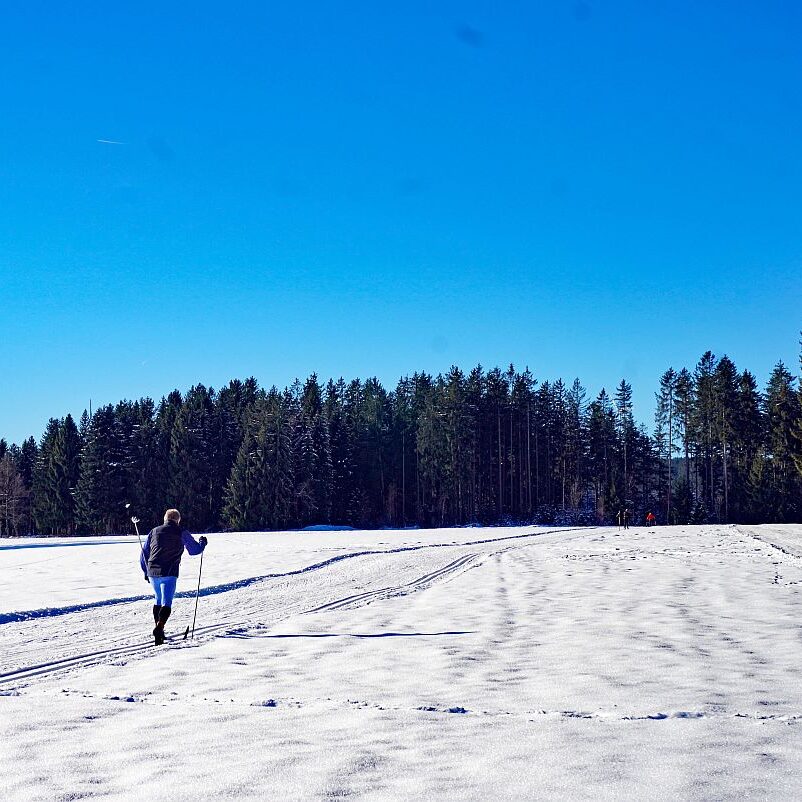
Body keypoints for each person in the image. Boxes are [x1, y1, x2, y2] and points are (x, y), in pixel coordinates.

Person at [140, 509, 207, 645]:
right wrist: (202, 543)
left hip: (152, 571)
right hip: (169, 571)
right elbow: (194, 550)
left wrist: (146, 572)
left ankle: (159, 632)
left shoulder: (153, 531)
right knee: (167, 602)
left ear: (165, 519)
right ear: (178, 520)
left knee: (158, 600)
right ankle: (159, 628)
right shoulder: (181, 531)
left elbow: (144, 554)